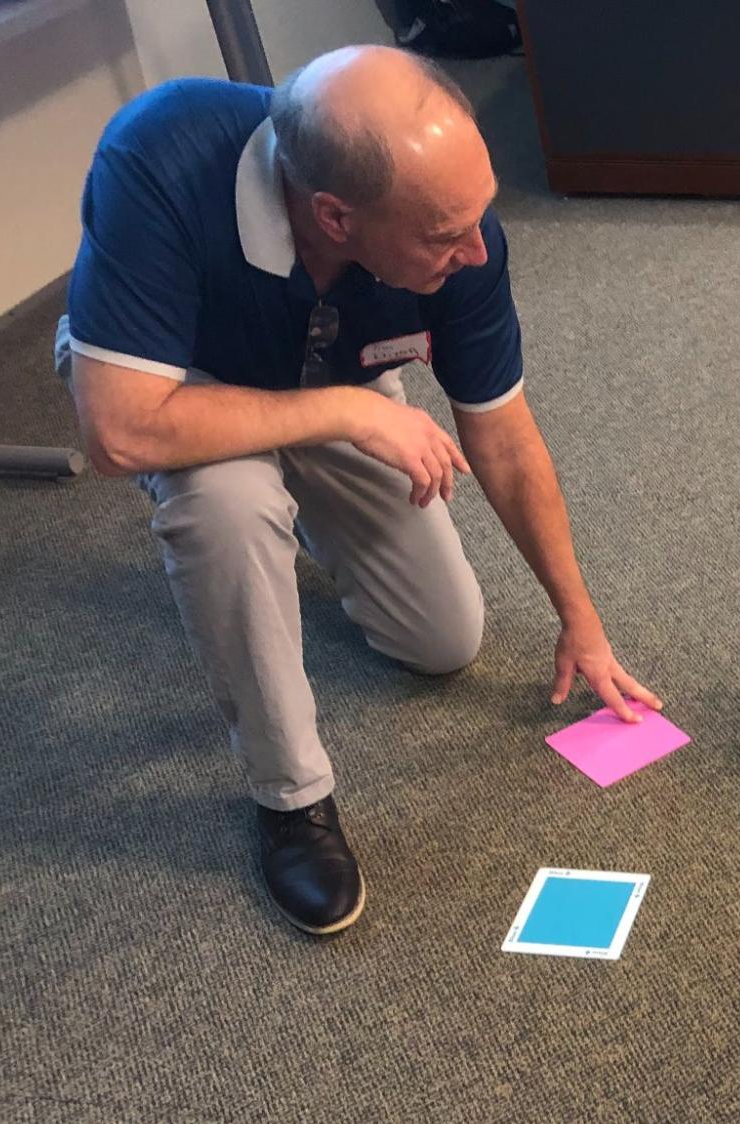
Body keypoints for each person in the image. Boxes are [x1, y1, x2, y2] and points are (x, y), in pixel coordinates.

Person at [58, 46, 659, 936]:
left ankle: (294, 511)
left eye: (478, 214)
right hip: (179, 385)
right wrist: (348, 411)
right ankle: (290, 801)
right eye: (443, 234)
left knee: (443, 640)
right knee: (228, 509)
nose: (475, 248)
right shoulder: (160, 155)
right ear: (335, 216)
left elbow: (502, 436)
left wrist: (582, 619)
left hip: (334, 379)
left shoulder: (464, 237)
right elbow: (119, 429)